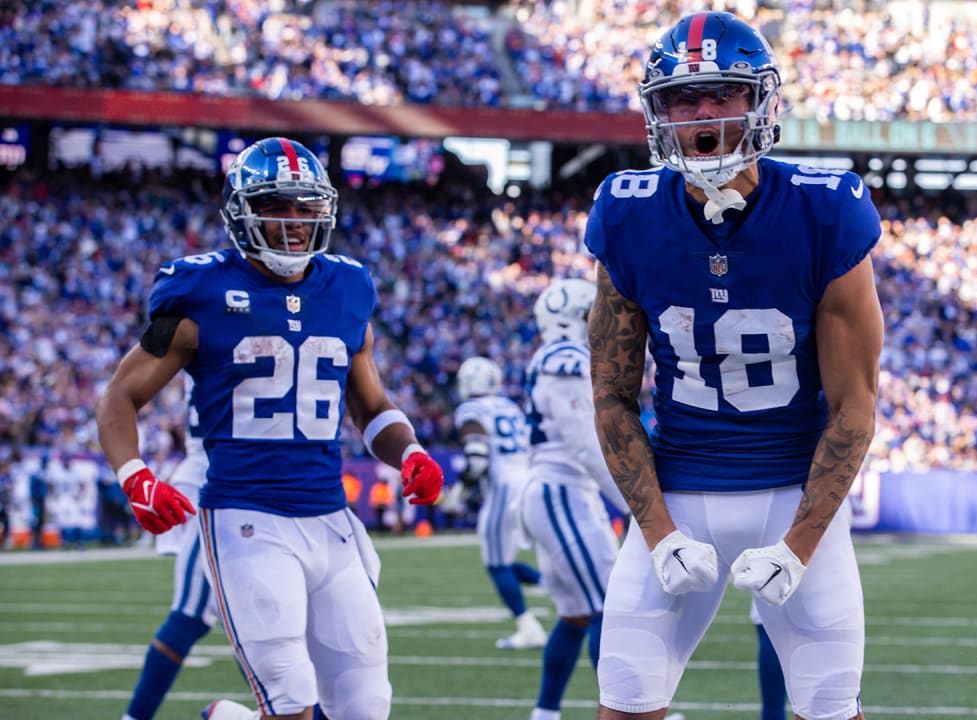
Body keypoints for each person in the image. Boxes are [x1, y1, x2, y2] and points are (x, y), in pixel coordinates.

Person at [585, 12, 883, 720]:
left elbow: (855, 406)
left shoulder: (825, 210)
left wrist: (799, 545)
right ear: (658, 115)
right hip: (678, 492)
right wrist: (659, 535)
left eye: (722, 94)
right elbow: (611, 398)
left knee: (830, 705)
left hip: (793, 492)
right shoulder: (626, 214)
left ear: (762, 102)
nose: (704, 116)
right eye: (683, 100)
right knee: (623, 697)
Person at [95, 136, 445, 720]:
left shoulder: (348, 287)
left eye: (305, 207)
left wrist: (409, 450)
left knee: (365, 706)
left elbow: (371, 405)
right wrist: (135, 476)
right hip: (246, 519)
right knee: (290, 699)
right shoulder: (200, 291)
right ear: (241, 210)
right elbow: (119, 397)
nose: (294, 222)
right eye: (277, 204)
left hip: (331, 521)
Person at [519, 278, 633, 720]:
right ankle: (629, 710)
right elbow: (585, 443)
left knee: (576, 615)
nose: (601, 322)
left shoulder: (555, 358)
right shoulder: (563, 359)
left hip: (559, 491)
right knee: (609, 604)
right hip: (561, 490)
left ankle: (545, 712)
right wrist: (632, 501)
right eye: (592, 314)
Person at [120, 380, 221, 720]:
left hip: (259, 482)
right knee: (190, 614)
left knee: (267, 622)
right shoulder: (203, 327)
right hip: (215, 480)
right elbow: (122, 393)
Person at [454, 355, 547, 650]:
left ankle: (528, 626)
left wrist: (460, 490)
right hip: (530, 480)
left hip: (503, 488)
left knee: (496, 563)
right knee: (504, 560)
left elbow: (478, 456)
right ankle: (556, 586)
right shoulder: (510, 407)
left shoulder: (472, 408)